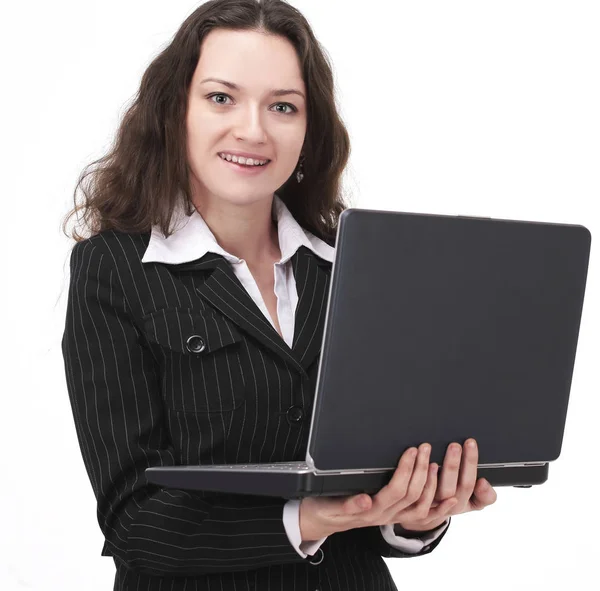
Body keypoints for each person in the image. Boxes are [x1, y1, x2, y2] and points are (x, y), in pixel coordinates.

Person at [60, 1, 497, 590]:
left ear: (308, 128)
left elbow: (374, 487)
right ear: (175, 111)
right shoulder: (113, 270)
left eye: (283, 106)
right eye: (221, 98)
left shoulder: (354, 267)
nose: (253, 130)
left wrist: (415, 518)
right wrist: (308, 518)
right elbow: (133, 523)